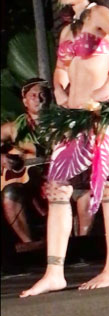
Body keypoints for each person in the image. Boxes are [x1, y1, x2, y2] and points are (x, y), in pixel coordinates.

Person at [20, 0, 109, 297]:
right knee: (58, 189)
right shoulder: (67, 29)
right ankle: (54, 272)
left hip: (101, 116)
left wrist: (108, 85)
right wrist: (58, 87)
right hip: (72, 121)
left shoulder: (100, 15)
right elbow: (61, 67)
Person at [1, 78, 50, 251]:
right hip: (27, 180)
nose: (38, 99)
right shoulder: (15, 127)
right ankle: (30, 244)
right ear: (25, 101)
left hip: (52, 176)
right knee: (10, 193)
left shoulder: (59, 123)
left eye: (43, 95)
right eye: (33, 95)